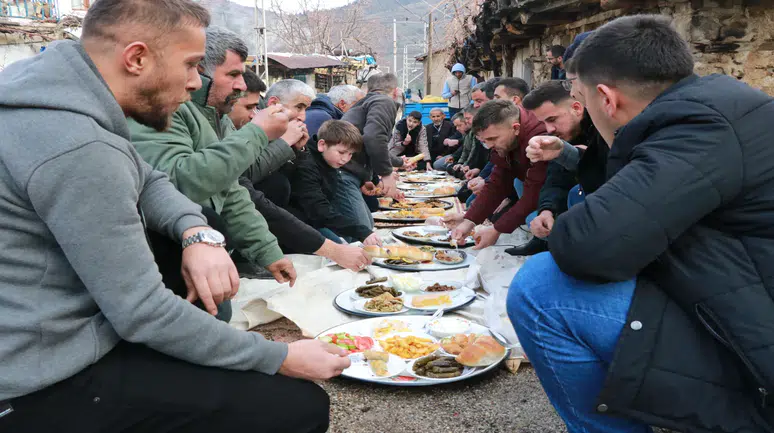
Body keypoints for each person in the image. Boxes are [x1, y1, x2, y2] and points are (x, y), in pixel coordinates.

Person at [0, 1, 348, 432]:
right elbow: (144, 312)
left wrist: (197, 230)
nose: (193, 82)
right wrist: (279, 356)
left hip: (59, 341)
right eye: (189, 65)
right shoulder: (78, 146)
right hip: (39, 383)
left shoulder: (56, 98)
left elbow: (151, 179)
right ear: (137, 58)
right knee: (296, 406)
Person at [508, 15, 774, 433]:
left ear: (606, 99)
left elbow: (588, 244)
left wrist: (564, 222)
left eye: (581, 98)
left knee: (542, 289)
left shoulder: (697, 128)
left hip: (758, 347)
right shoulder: (715, 105)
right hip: (740, 285)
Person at [129, 26, 298, 288]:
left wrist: (268, 252)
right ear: (200, 70)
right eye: (232, 75)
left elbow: (230, 190)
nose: (241, 86)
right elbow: (178, 183)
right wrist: (257, 134)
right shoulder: (167, 108)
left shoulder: (216, 115)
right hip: (164, 254)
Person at [509, 80, 608, 257]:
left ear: (577, 108)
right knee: (535, 217)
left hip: (606, 219)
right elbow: (555, 180)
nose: (549, 129)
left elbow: (603, 176)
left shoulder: (604, 128)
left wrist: (571, 154)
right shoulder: (561, 134)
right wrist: (548, 210)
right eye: (543, 122)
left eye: (552, 120)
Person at [447, 99, 548, 249]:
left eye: (492, 139)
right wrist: (469, 222)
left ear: (515, 128)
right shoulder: (506, 140)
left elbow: (534, 192)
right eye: (484, 140)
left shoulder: (538, 137)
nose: (489, 145)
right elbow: (497, 182)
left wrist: (497, 229)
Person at [289, 120, 384, 246]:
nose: (345, 159)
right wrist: (360, 231)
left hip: (314, 219)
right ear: (322, 145)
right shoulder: (307, 166)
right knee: (340, 247)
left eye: (350, 154)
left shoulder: (327, 161)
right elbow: (318, 210)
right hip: (299, 222)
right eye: (341, 152)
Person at [338, 73, 405, 229]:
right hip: (344, 173)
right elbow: (374, 138)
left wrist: (367, 178)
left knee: (366, 226)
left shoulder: (366, 102)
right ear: (395, 91)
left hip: (348, 172)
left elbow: (368, 142)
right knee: (363, 230)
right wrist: (386, 174)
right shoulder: (384, 101)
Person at [241, 79, 314, 210]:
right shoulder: (247, 124)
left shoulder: (287, 133)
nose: (303, 117)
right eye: (299, 107)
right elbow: (248, 174)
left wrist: (299, 150)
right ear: (274, 103)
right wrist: (284, 142)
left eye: (306, 109)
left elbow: (306, 186)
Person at [465, 77, 533, 207]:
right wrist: (482, 177)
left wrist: (506, 197)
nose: (476, 105)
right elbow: (498, 163)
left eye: (496, 98)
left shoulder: (533, 131)